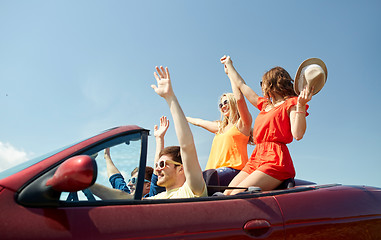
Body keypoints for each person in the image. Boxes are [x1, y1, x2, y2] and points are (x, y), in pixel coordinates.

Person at [91, 66, 207, 200]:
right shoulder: (155, 198)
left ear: (181, 168)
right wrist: (87, 185)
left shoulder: (192, 191)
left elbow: (187, 147)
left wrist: (170, 98)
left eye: (162, 164)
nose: (156, 169)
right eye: (157, 165)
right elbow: (125, 199)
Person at [221, 55, 317, 195]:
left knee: (236, 195)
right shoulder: (265, 105)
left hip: (275, 159)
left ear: (272, 83)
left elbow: (298, 134)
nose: (261, 86)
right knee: (226, 194)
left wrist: (301, 106)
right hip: (256, 157)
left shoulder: (292, 103)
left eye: (262, 82)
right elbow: (242, 85)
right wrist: (229, 66)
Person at [186, 58, 252, 186]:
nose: (223, 106)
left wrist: (230, 74)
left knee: (204, 181)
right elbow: (199, 122)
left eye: (226, 102)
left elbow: (240, 99)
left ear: (232, 103)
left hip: (234, 170)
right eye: (220, 104)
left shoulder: (242, 124)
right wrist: (181, 116)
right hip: (213, 172)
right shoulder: (220, 128)